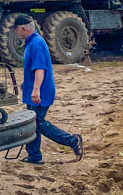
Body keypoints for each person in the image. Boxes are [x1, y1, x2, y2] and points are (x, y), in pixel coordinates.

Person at [13, 15, 84, 164]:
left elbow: (40, 69)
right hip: (35, 89)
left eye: (16, 29)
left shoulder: (36, 44)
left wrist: (36, 90)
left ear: (22, 28)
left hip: (41, 92)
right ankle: (34, 156)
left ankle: (72, 141)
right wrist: (27, 84)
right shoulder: (33, 42)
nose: (15, 32)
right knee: (32, 122)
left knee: (37, 122)